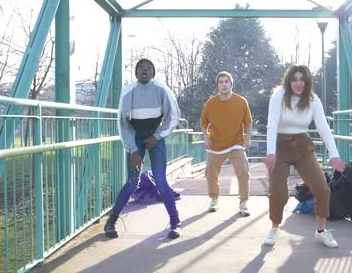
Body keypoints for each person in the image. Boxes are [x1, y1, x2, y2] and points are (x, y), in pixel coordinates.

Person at [264, 64, 345, 247]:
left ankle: (321, 231)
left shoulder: (313, 100)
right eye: (294, 79)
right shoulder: (279, 96)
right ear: (289, 81)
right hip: (280, 145)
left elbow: (323, 128)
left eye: (302, 79)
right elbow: (272, 124)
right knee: (278, 192)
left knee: (322, 188)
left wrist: (334, 155)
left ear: (307, 81)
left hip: (302, 145)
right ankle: (274, 227)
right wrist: (270, 153)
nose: (298, 83)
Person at [104, 58, 182, 239]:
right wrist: (133, 150)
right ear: (136, 72)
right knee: (133, 181)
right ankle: (111, 222)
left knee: (161, 181)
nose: (144, 70)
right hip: (135, 136)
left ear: (153, 73)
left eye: (148, 68)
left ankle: (175, 222)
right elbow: (123, 123)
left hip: (156, 135)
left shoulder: (161, 89)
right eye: (141, 68)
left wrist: (157, 136)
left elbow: (173, 115)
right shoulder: (128, 91)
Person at [200, 71, 252, 216]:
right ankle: (214, 199)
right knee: (210, 174)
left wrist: (247, 139)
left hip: (236, 144)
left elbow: (248, 123)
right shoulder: (210, 103)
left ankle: (243, 202)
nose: (224, 84)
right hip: (215, 145)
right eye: (221, 82)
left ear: (231, 84)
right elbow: (204, 123)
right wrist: (206, 137)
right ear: (217, 85)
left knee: (243, 172)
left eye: (226, 81)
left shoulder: (241, 101)